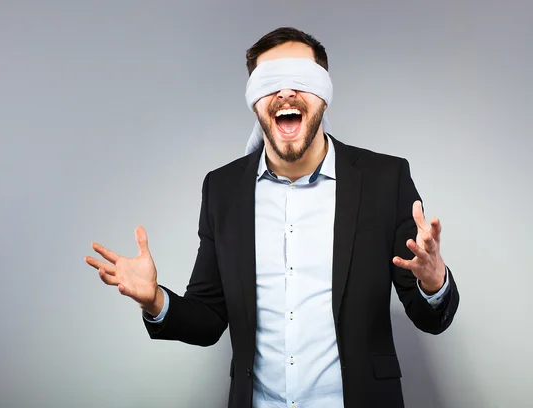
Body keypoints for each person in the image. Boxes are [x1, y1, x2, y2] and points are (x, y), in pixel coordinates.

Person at [84, 27, 459, 408]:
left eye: (301, 79)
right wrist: (155, 300)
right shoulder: (223, 189)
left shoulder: (385, 180)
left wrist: (433, 281)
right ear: (254, 101)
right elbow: (210, 317)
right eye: (271, 82)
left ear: (325, 96)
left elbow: (431, 318)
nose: (285, 92)